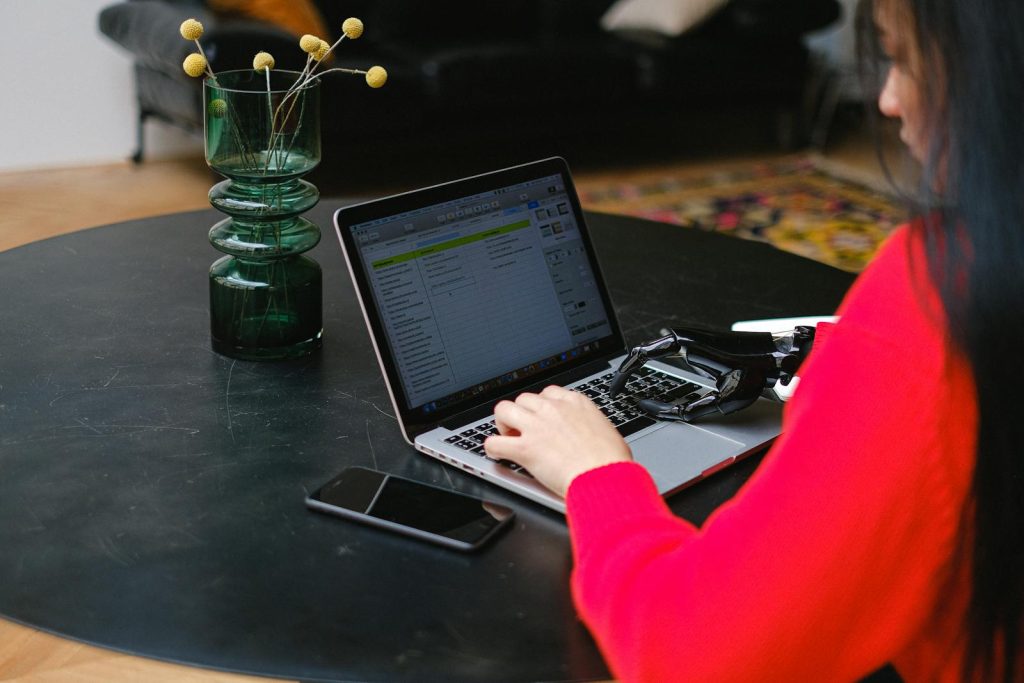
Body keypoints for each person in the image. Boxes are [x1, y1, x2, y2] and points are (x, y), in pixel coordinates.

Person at [483, 0, 1024, 680]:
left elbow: (691, 654)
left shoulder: (938, 301)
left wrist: (596, 473)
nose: (887, 99)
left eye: (906, 60)